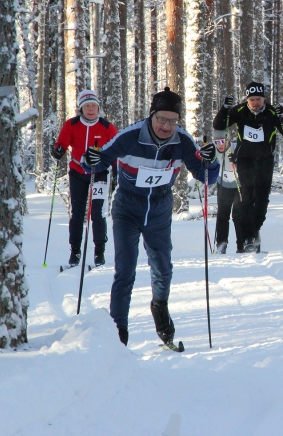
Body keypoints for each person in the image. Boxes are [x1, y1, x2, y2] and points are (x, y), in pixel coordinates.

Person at [84, 87, 220, 347]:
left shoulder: (182, 140)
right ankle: (118, 332)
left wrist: (211, 161)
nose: (167, 126)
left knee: (163, 268)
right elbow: (98, 162)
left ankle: (160, 308)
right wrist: (93, 158)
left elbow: (206, 176)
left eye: (172, 121)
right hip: (127, 208)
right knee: (125, 270)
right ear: (151, 116)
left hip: (159, 209)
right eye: (161, 119)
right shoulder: (130, 136)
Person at [213, 82, 283, 252]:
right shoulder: (240, 111)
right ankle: (248, 238)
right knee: (247, 198)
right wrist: (224, 109)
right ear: (247, 99)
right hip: (245, 160)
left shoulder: (272, 112)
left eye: (258, 99)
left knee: (262, 200)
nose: (255, 103)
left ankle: (255, 230)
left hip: (265, 161)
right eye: (252, 99)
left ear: (263, 98)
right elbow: (219, 125)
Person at [52, 89, 118, 267]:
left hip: (99, 173)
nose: (91, 109)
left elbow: (116, 148)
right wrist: (58, 150)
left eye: (93, 106)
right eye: (87, 106)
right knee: (77, 213)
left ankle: (99, 253)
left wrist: (116, 169)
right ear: (81, 108)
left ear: (98, 108)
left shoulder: (106, 127)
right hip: (78, 172)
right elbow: (62, 143)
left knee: (97, 212)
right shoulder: (72, 124)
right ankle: (75, 252)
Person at [213, 128, 243, 254]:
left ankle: (242, 245)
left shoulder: (236, 147)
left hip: (239, 185)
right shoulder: (213, 150)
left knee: (238, 215)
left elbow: (247, 160)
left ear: (228, 139)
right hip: (224, 184)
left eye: (222, 141)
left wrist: (237, 160)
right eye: (216, 142)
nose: (219, 145)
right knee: (222, 214)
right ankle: (221, 244)